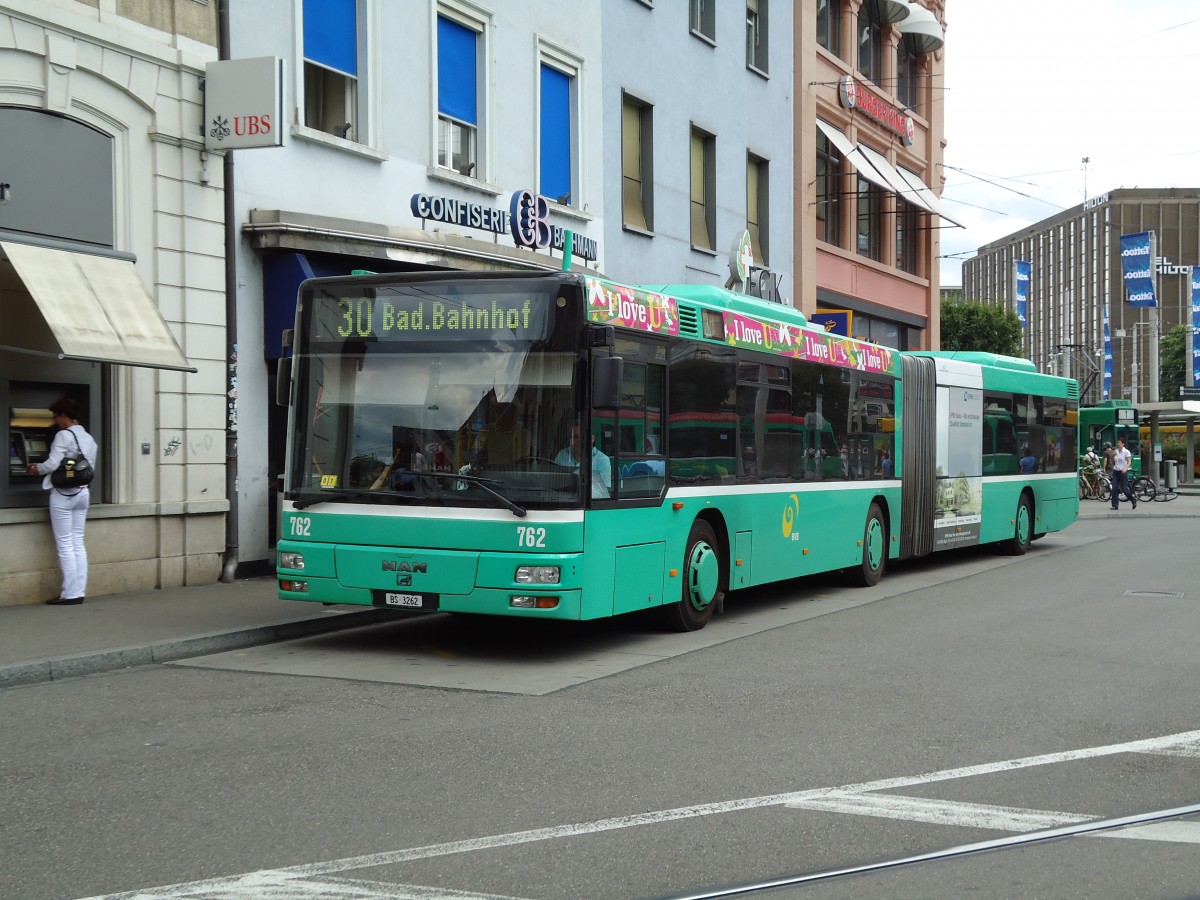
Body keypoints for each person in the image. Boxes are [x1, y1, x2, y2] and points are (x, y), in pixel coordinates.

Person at [26, 396, 98, 605]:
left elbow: (51, 465)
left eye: (56, 416)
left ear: (65, 415)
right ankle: (78, 591)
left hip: (63, 495)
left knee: (65, 545)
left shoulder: (63, 436)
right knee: (78, 542)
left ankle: (69, 594)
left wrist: (34, 469)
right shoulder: (89, 439)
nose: (55, 421)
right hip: (83, 493)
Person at [555, 423, 611, 498]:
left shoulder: (602, 460)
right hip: (563, 501)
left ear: (592, 439)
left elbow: (603, 494)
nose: (575, 441)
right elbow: (555, 483)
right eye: (573, 437)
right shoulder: (562, 455)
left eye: (580, 437)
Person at [1110, 437, 1137, 510]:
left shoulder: (1126, 452)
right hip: (1116, 471)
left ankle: (1133, 500)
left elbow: (1129, 462)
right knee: (1114, 488)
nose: (1118, 444)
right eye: (1117, 442)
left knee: (1125, 489)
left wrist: (1125, 468)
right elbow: (1113, 461)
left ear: (1123, 444)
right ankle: (1115, 505)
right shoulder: (1116, 451)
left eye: (1119, 442)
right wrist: (1113, 455)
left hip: (1123, 472)